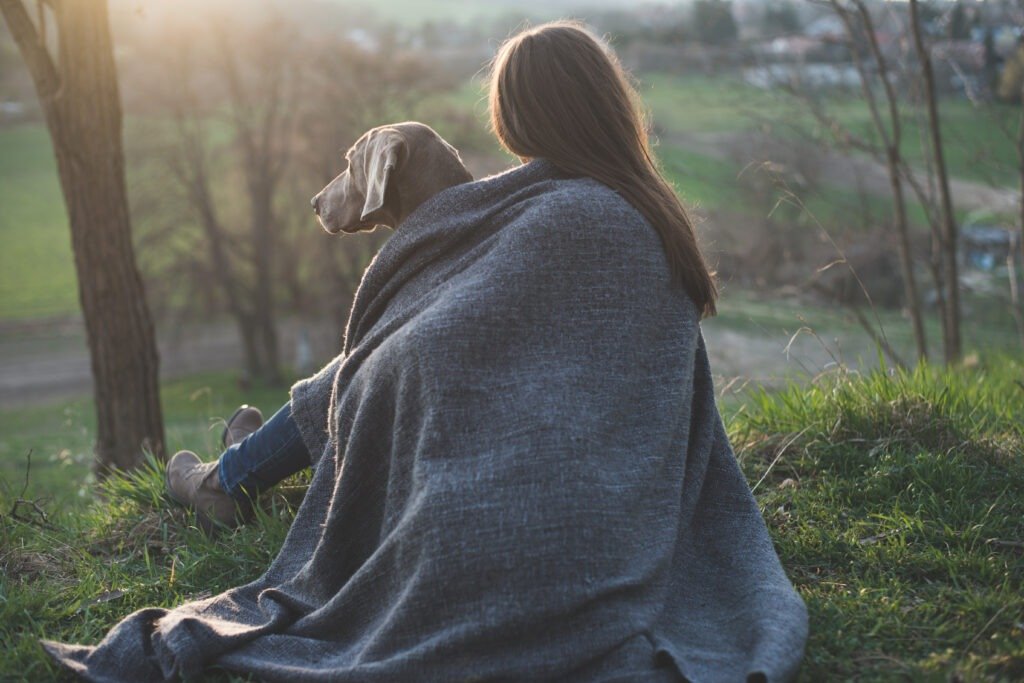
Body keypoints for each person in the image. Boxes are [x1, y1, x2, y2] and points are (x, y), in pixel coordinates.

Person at [49, 21, 807, 682]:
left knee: (377, 358)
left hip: (532, 508)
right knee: (379, 355)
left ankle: (232, 474)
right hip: (590, 470)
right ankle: (237, 468)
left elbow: (442, 342)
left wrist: (397, 340)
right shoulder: (636, 208)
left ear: (521, 115)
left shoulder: (573, 212)